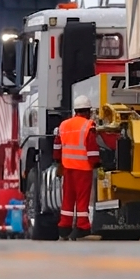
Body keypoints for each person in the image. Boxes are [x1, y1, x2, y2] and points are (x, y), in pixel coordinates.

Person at [53, 95, 101, 241]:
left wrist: (58, 160)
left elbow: (57, 145)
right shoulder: (88, 125)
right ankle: (82, 227)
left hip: (67, 168)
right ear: (87, 111)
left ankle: (64, 227)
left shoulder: (64, 125)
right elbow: (91, 148)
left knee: (68, 199)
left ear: (76, 110)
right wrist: (96, 163)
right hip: (83, 169)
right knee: (82, 199)